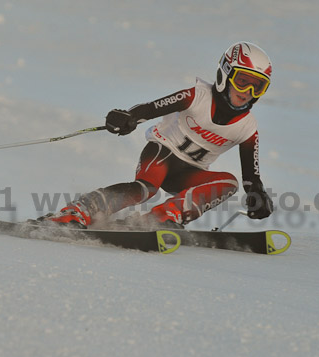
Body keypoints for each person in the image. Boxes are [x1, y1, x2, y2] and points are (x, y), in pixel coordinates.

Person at [43, 41, 274, 229]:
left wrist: (258, 195)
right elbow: (152, 108)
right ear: (225, 74)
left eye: (258, 86)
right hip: (162, 153)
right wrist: (128, 117)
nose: (248, 93)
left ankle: (160, 218)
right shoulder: (197, 96)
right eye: (243, 82)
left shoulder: (247, 128)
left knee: (228, 183)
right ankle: (79, 210)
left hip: (188, 173)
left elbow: (251, 177)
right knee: (145, 189)